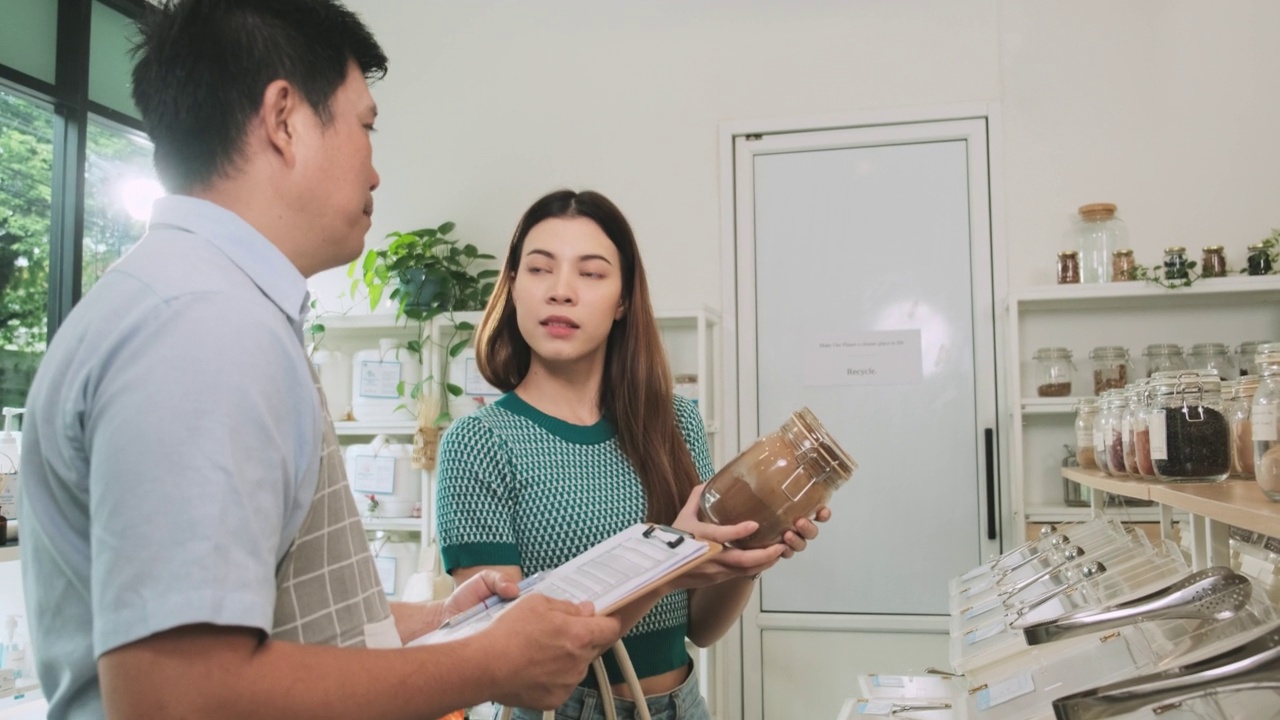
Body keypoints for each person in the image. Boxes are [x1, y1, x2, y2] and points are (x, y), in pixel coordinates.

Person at [18, 2, 621, 719]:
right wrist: (486, 665)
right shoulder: (204, 327)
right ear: (284, 119)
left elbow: (280, 628)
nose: (373, 171)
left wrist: (440, 624)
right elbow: (180, 696)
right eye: (365, 127)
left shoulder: (200, 302)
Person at [436, 189, 831, 720]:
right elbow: (508, 662)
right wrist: (667, 564)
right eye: (539, 269)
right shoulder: (479, 444)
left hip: (681, 704)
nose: (561, 292)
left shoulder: (674, 422)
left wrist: (751, 553)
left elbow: (701, 628)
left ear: (623, 299)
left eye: (591, 273)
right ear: (512, 287)